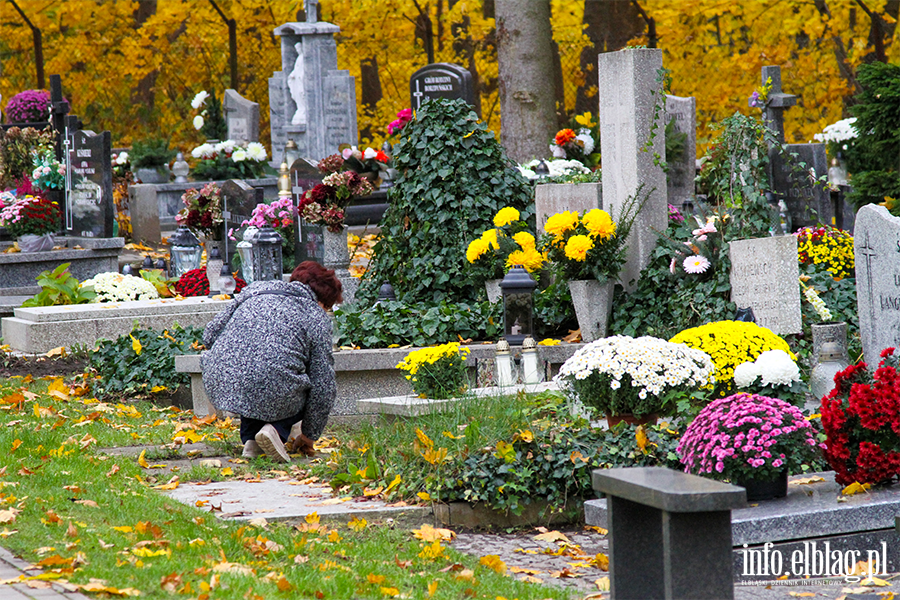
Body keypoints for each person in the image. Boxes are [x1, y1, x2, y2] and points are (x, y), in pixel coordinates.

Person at [201, 261, 341, 462]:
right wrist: (309, 437)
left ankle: (251, 441)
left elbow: (209, 334)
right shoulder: (314, 314)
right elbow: (323, 386)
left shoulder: (255, 290)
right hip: (272, 384)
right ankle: (275, 430)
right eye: (327, 306)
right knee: (285, 378)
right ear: (321, 299)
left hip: (222, 380)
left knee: (258, 375)